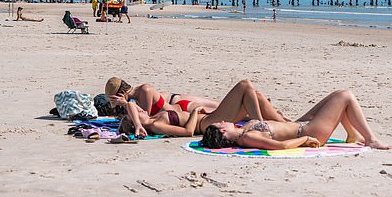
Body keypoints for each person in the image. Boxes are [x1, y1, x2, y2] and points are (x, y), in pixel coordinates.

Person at [200, 85, 392, 151]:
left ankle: (353, 135)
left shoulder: (245, 129)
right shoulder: (246, 137)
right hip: (309, 131)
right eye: (220, 123)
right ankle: (370, 140)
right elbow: (282, 146)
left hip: (299, 124)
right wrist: (306, 139)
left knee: (335, 98)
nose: (223, 120)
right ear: (223, 131)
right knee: (345, 96)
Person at [117, 79, 288, 137]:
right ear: (137, 123)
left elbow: (131, 106)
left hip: (208, 118)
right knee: (245, 86)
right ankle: (259, 124)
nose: (139, 110)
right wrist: (195, 112)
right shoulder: (155, 125)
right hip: (205, 123)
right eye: (137, 114)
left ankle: (286, 123)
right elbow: (188, 132)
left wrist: (130, 110)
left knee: (255, 95)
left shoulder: (152, 119)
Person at [105, 77, 221, 135]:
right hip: (178, 111)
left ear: (120, 94)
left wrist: (125, 105)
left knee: (220, 106)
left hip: (182, 105)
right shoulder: (134, 99)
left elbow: (147, 115)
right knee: (223, 111)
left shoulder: (145, 90)